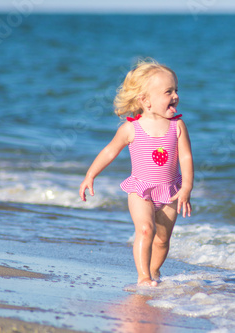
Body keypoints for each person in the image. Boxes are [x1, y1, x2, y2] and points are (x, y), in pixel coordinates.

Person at [79, 59, 194, 287]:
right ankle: (143, 277)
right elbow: (110, 151)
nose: (175, 96)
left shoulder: (177, 126)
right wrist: (90, 175)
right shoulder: (131, 128)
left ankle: (153, 271)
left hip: (170, 191)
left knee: (162, 240)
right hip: (140, 189)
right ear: (145, 101)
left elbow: (186, 157)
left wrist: (187, 187)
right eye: (168, 92)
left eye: (176, 90)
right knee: (145, 229)